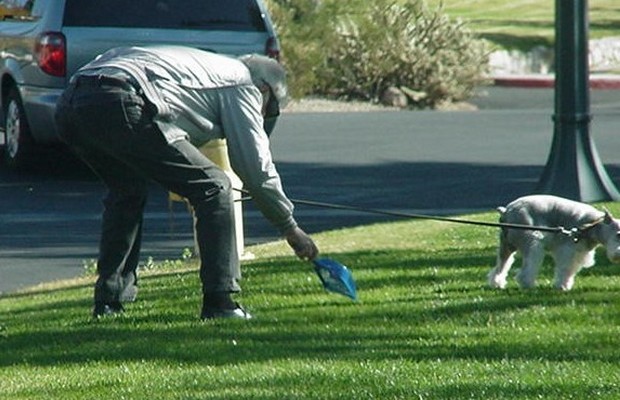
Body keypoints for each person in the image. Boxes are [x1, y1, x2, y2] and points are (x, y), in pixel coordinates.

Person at [55, 45, 319, 320]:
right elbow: (255, 169)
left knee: (127, 190)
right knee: (214, 187)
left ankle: (109, 302)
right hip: (122, 96)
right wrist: (290, 228)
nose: (265, 115)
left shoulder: (206, 69)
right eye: (272, 108)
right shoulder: (241, 81)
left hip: (72, 104)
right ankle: (220, 303)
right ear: (264, 88)